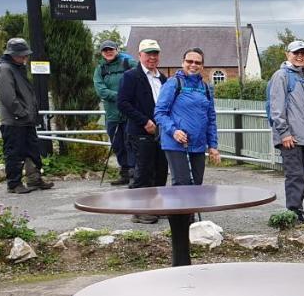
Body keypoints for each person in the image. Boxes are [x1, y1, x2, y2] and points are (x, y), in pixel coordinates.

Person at [267, 40, 304, 223]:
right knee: (295, 175)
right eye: (296, 53)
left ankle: (298, 209)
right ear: (287, 54)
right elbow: (277, 107)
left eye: (303, 53)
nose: (300, 56)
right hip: (290, 137)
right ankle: (293, 212)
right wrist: (284, 133)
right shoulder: (282, 76)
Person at [0, 38, 53, 194]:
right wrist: (22, 113)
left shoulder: (17, 67)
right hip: (14, 121)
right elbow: (7, 96)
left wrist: (29, 114)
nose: (25, 58)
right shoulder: (5, 69)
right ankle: (14, 184)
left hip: (25, 119)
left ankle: (34, 179)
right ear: (12, 54)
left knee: (33, 150)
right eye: (22, 55)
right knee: (14, 153)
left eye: (25, 55)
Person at [118, 39, 168, 222]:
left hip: (161, 133)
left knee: (161, 169)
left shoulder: (162, 78)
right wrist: (144, 120)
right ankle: (139, 210)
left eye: (155, 53)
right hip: (140, 132)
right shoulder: (131, 76)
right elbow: (122, 103)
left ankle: (155, 206)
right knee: (143, 171)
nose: (152, 57)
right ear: (140, 55)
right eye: (148, 54)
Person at [154, 48, 220, 186]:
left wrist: (213, 145)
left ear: (202, 66)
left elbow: (211, 118)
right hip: (175, 143)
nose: (193, 65)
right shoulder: (173, 83)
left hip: (198, 144)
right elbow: (159, 113)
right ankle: (179, 208)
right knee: (182, 184)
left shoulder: (206, 88)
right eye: (189, 61)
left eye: (197, 62)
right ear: (183, 63)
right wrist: (174, 131)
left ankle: (193, 209)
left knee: (197, 185)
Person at [92, 40, 138, 186]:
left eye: (111, 49)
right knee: (117, 144)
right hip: (112, 114)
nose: (108, 52)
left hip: (130, 113)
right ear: (102, 53)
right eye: (105, 50)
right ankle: (124, 172)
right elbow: (101, 90)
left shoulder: (128, 63)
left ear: (117, 50)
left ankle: (134, 172)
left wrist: (127, 98)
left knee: (131, 142)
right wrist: (121, 97)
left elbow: (140, 74)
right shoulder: (101, 69)